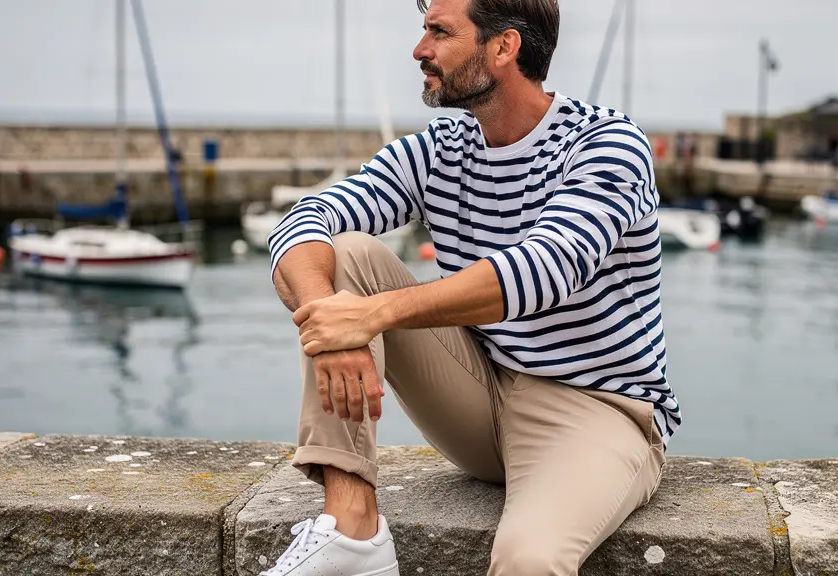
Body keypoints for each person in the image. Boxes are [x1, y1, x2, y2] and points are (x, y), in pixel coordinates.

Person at [262, 0, 678, 574]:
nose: (419, 49)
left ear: (504, 48)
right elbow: (306, 219)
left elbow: (545, 268)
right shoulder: (442, 146)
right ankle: (353, 532)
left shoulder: (607, 144)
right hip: (479, 393)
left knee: (527, 559)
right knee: (345, 257)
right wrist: (328, 313)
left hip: (594, 406)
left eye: (439, 32)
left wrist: (372, 316)